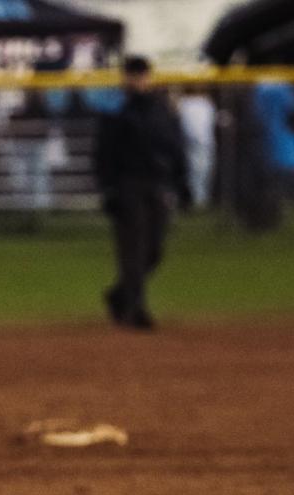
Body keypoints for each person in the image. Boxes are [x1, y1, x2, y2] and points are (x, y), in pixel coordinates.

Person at [93, 56, 187, 331]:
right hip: (128, 184)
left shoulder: (161, 108)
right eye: (132, 75)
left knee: (154, 250)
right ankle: (136, 309)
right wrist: (108, 189)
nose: (137, 80)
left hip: (158, 183)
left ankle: (120, 294)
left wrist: (182, 181)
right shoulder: (115, 109)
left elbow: (175, 146)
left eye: (141, 75)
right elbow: (104, 153)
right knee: (132, 250)